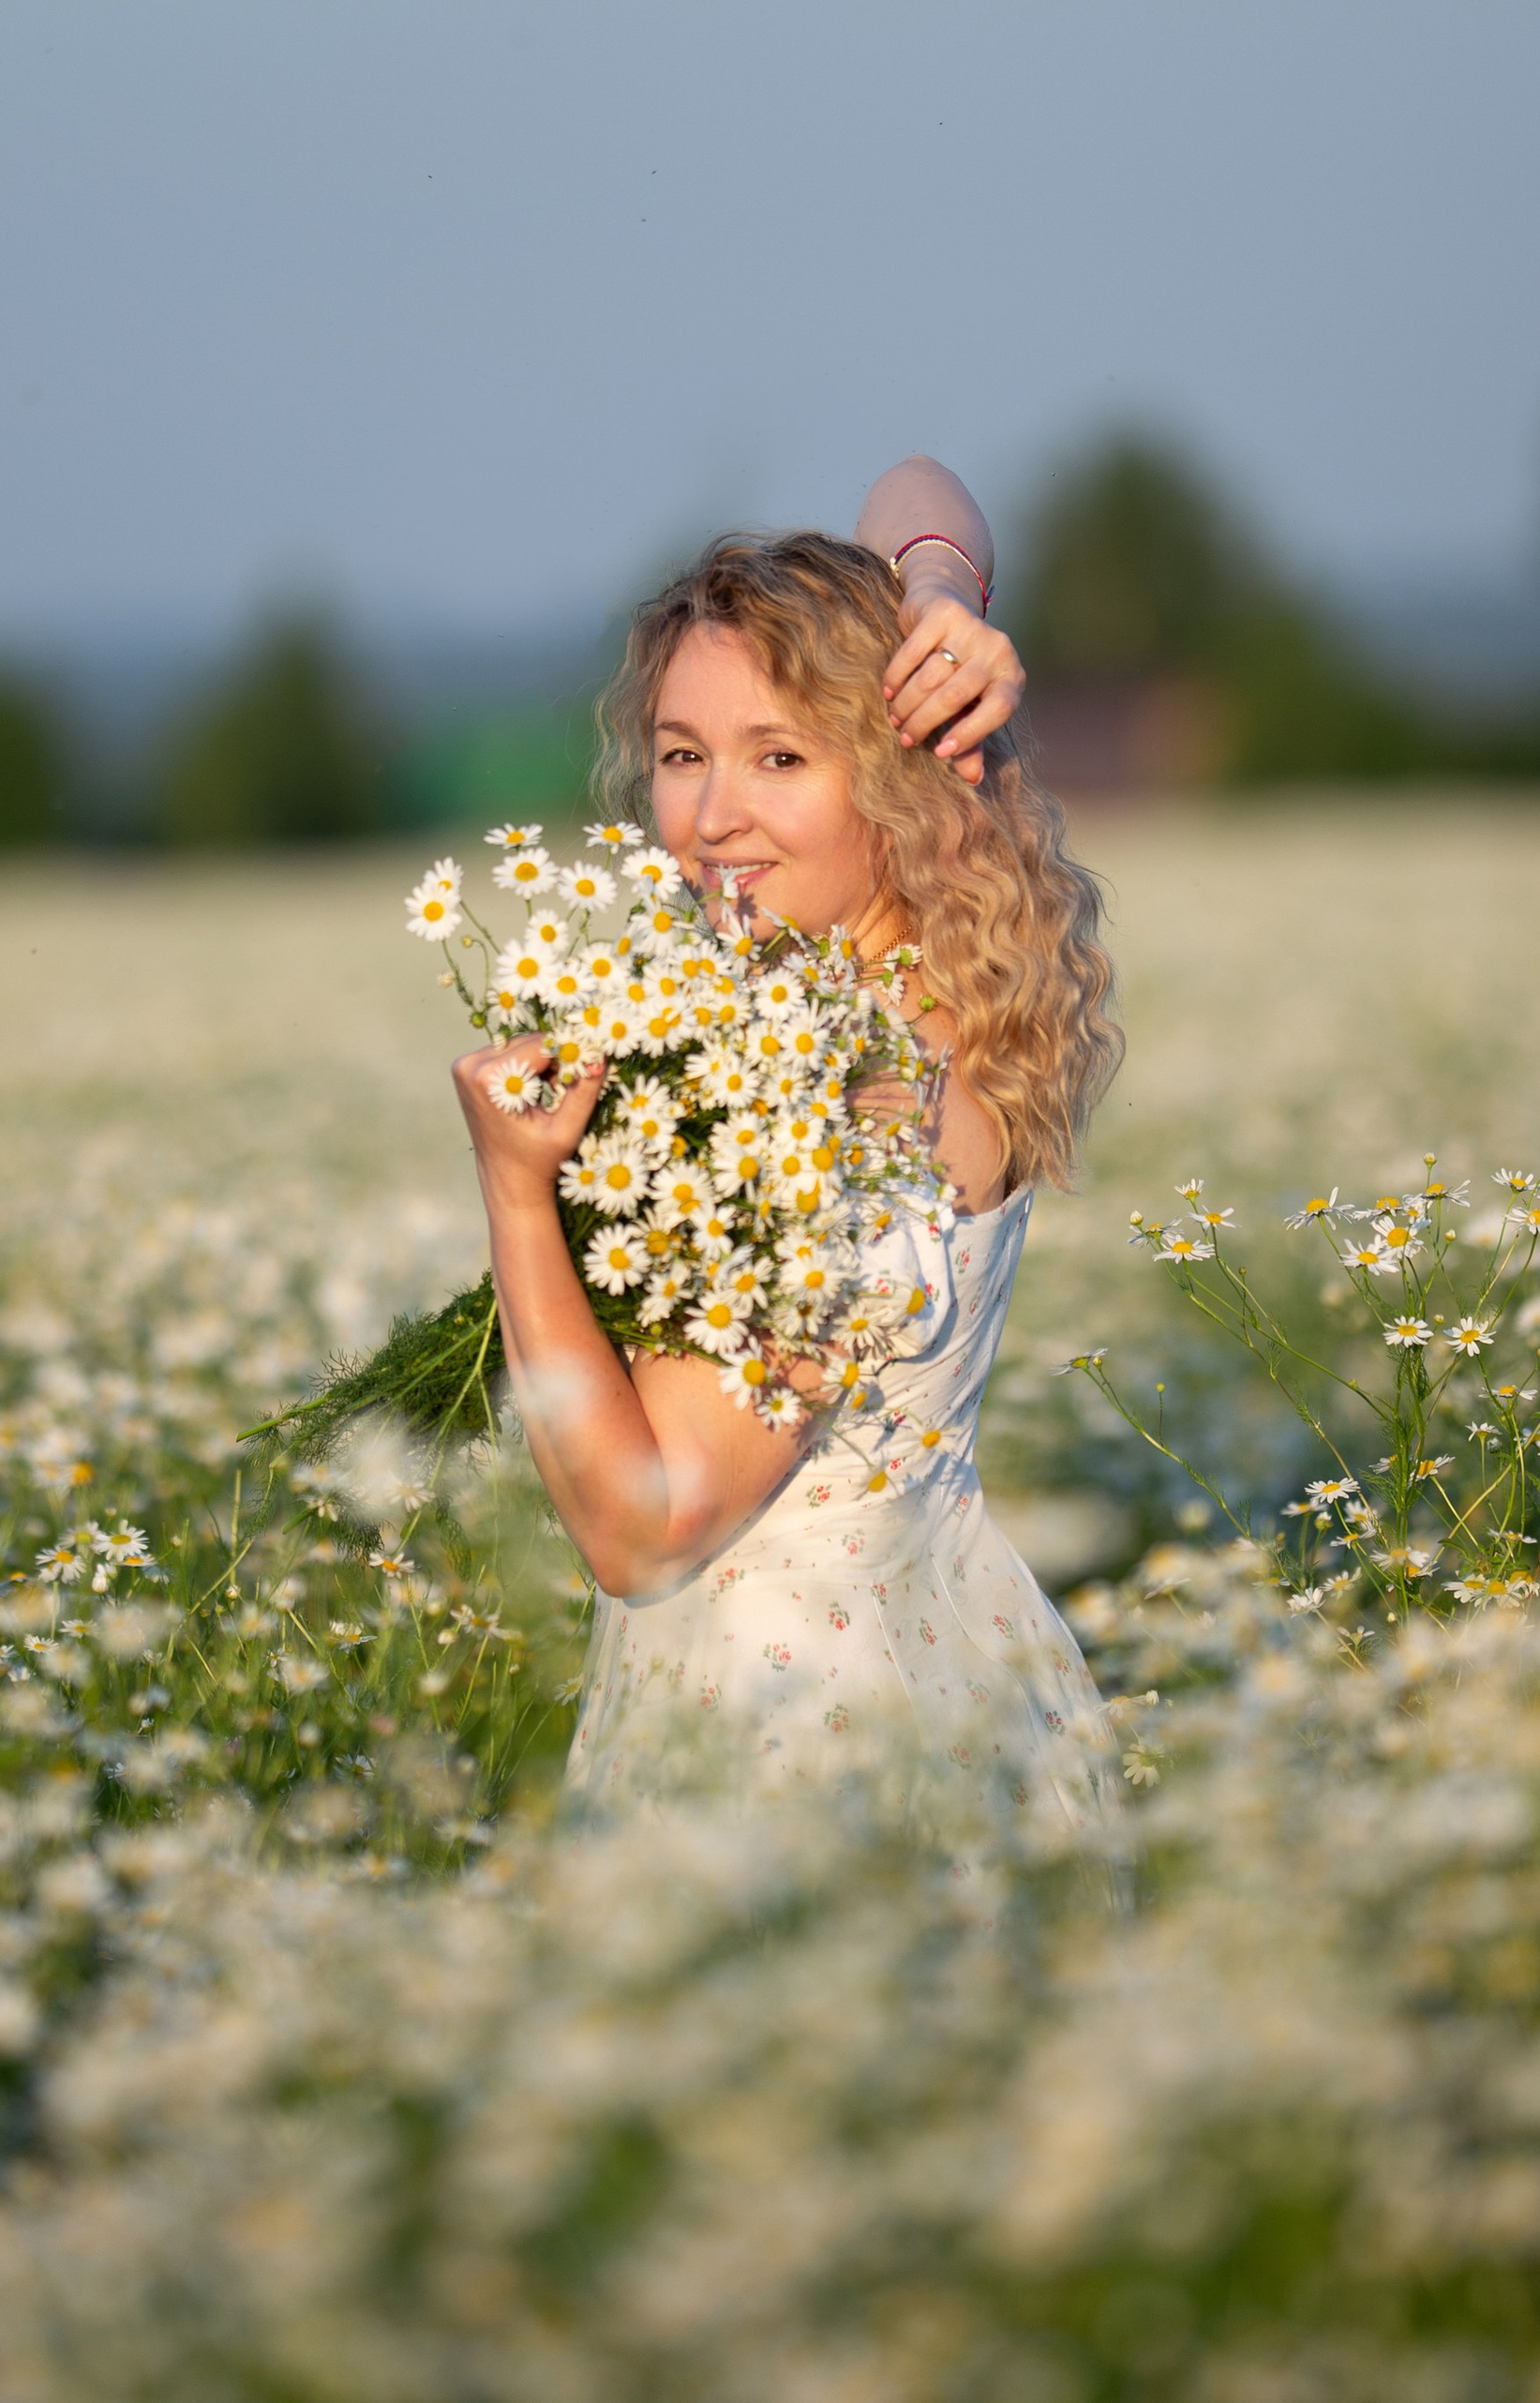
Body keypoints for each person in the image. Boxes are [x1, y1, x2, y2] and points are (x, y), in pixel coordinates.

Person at [451, 459, 1122, 1839]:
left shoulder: (825, 1092)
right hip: (957, 1691)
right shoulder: (947, 996)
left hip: (795, 1763)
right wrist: (939, 595)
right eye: (683, 755)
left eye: (780, 757)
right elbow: (914, 485)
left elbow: (643, 1529)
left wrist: (519, 1193)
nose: (707, 821)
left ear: (902, 773)